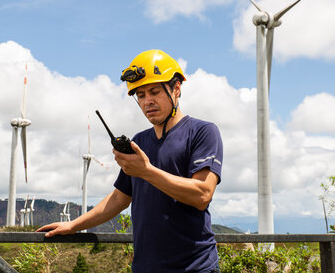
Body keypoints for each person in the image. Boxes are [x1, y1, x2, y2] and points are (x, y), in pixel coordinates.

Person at [37, 49, 223, 273]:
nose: (147, 102)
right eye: (141, 95)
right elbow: (119, 198)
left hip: (195, 267)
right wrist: (73, 225)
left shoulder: (202, 132)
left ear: (176, 88)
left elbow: (202, 194)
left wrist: (146, 171)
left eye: (154, 91)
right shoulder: (140, 141)